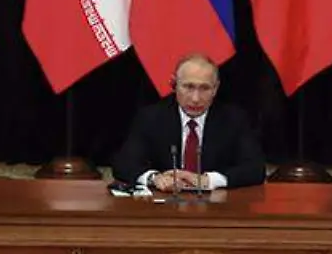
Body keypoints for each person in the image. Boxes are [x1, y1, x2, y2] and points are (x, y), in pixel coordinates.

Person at [113, 53, 265, 191]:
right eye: (188, 87)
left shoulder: (234, 119)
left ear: (215, 88)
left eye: (204, 88)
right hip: (165, 204)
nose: (195, 98)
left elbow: (255, 169)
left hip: (217, 206)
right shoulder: (151, 117)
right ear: (174, 84)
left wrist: (208, 180)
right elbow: (123, 164)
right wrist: (155, 178)